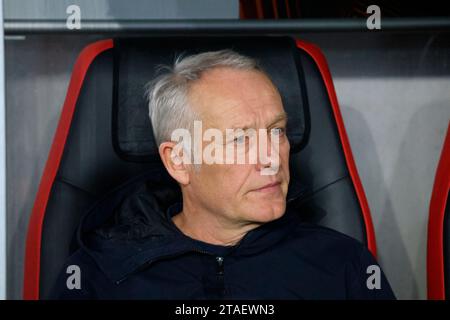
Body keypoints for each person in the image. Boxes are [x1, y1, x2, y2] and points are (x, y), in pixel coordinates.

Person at [50, 49, 395, 299]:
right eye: (241, 139)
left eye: (277, 131)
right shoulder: (96, 277)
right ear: (180, 161)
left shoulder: (344, 265)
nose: (271, 158)